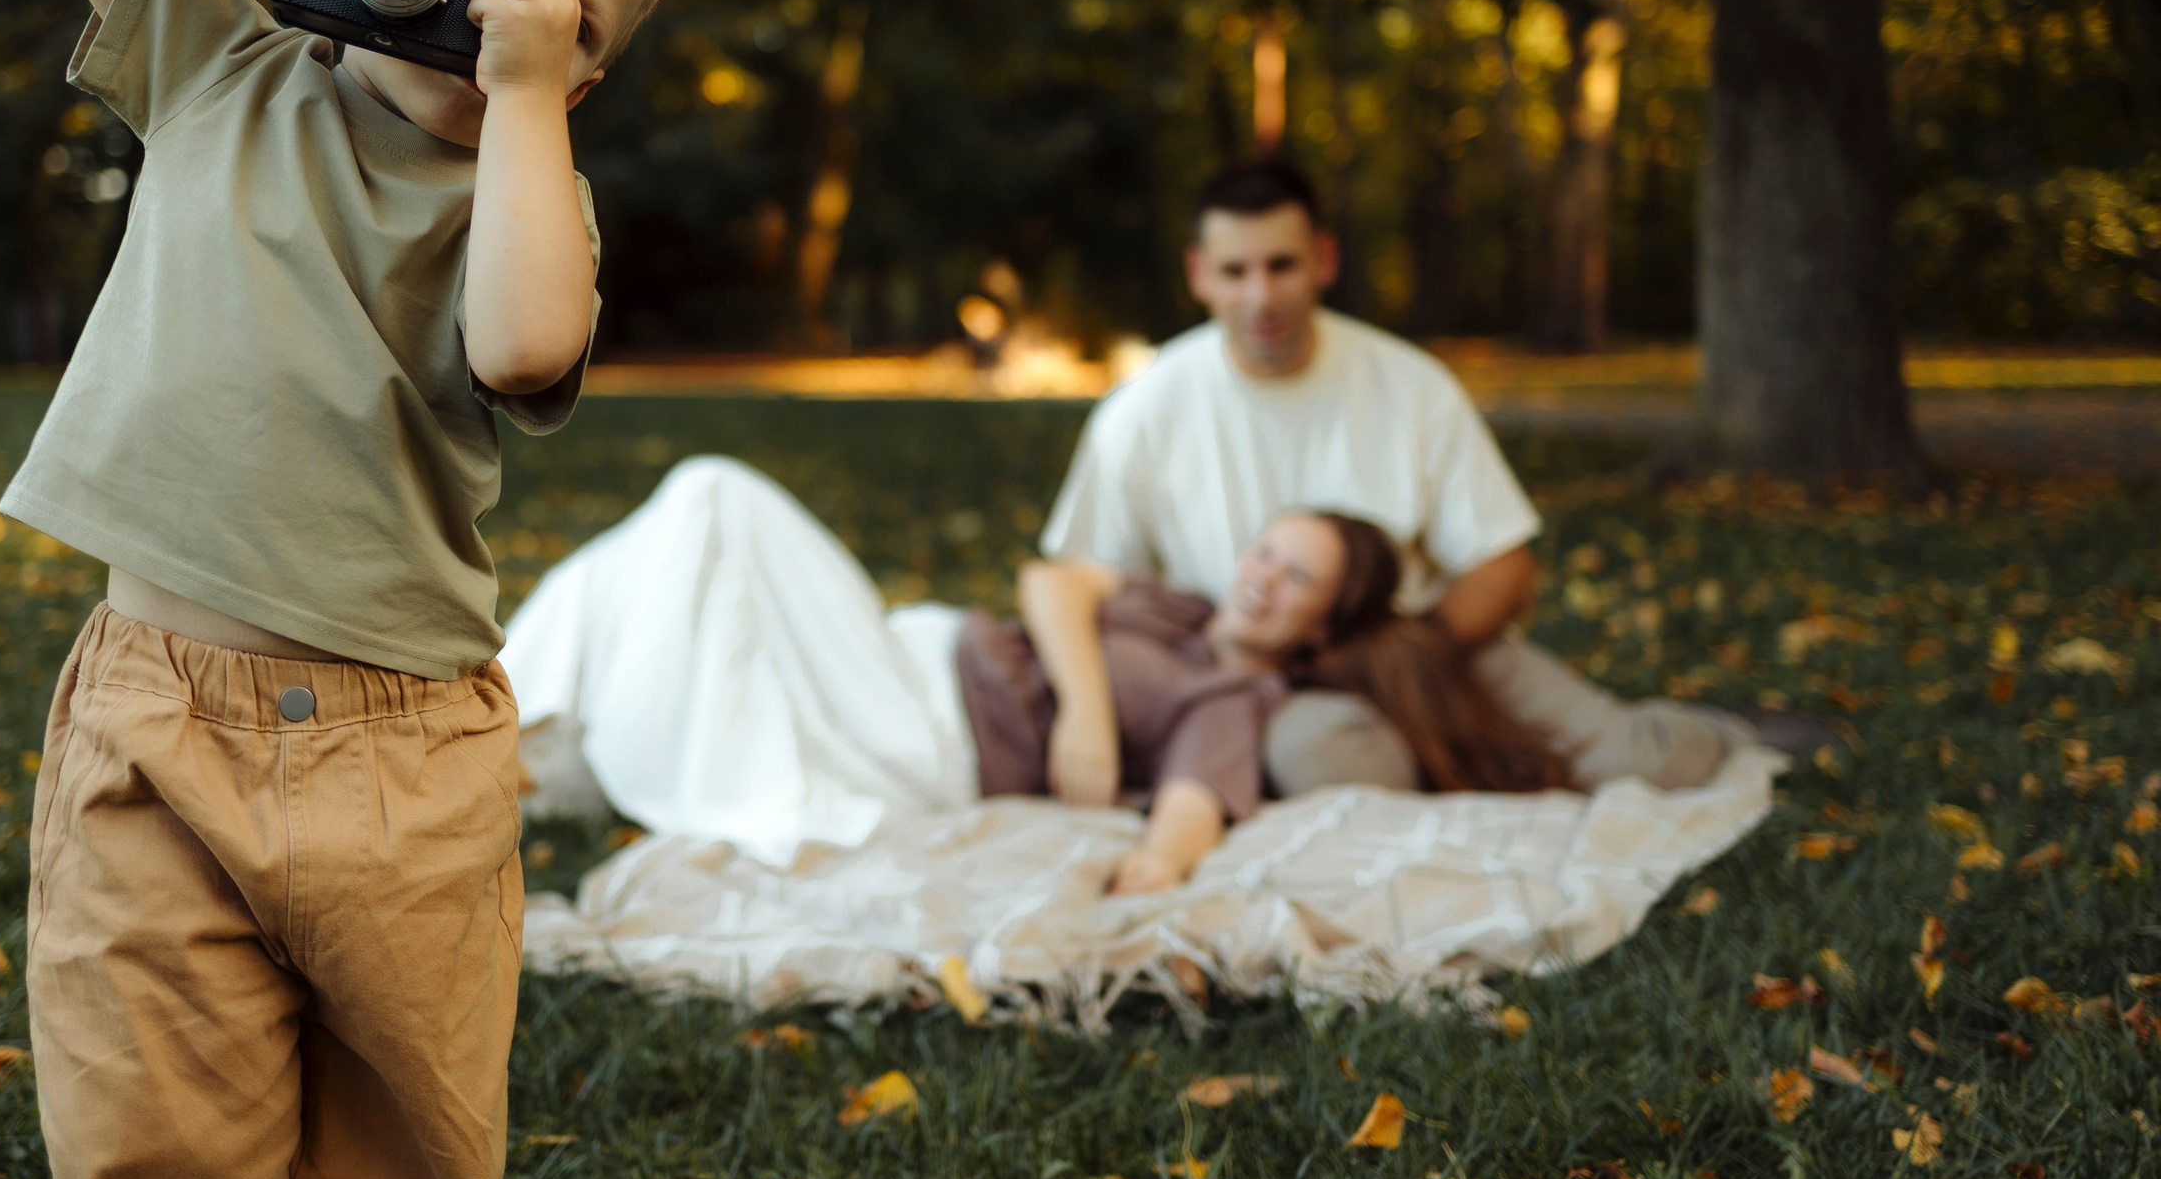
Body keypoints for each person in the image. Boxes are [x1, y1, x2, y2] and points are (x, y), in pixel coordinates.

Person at [0, 0, 681, 1179]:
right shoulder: (222, 67)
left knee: (402, 1170)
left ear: (584, 65)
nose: (480, 1)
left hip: (403, 758)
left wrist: (519, 102)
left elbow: (521, 347)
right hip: (155, 716)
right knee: (148, 1146)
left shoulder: (530, 197)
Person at [501, 456, 1567, 889]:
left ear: (1321, 631)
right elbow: (1051, 582)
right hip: (892, 657)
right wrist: (1089, 716)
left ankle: (498, 726)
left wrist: (1147, 878)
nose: (1262, 578)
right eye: (1266, 552)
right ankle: (502, 729)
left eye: (1296, 581)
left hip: (924, 730)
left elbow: (1190, 810)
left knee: (713, 497)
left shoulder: (1235, 698)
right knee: (673, 555)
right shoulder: (1175, 607)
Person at [1041, 158, 1757, 799]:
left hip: (1424, 649)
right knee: (1345, 769)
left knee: (1644, 763)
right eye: (1235, 271)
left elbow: (1504, 567)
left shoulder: (1409, 384)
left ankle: (1733, 732)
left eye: (1282, 265)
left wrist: (1405, 656)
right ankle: (1461, 776)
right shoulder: (1145, 406)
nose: (1261, 295)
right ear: (1199, 273)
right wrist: (1086, 712)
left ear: (1324, 259)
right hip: (1262, 687)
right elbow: (1077, 580)